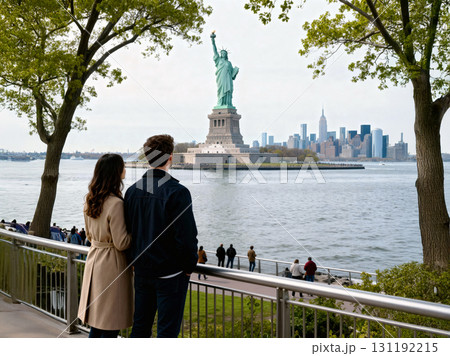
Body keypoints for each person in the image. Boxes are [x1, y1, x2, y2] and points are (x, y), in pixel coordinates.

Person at [125, 134, 198, 338]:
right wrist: (188, 267)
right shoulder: (178, 192)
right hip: (170, 274)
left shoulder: (131, 192)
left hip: (141, 271)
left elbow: (130, 231)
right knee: (167, 332)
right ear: (170, 158)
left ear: (148, 159)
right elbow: (186, 236)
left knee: (140, 327)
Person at [77, 154, 133, 338]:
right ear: (116, 172)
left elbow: (89, 234)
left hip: (94, 259)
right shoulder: (116, 203)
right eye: (123, 166)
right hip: (112, 265)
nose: (125, 169)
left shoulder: (89, 200)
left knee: (98, 322)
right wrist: (140, 234)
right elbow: (122, 242)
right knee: (110, 323)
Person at [210, 32, 239, 108]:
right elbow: (215, 50)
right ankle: (220, 103)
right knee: (221, 90)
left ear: (226, 55)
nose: (223, 54)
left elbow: (232, 75)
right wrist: (213, 40)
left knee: (228, 90)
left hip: (228, 79)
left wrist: (235, 71)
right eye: (222, 53)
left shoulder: (229, 63)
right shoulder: (218, 60)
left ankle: (228, 103)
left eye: (224, 53)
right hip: (221, 78)